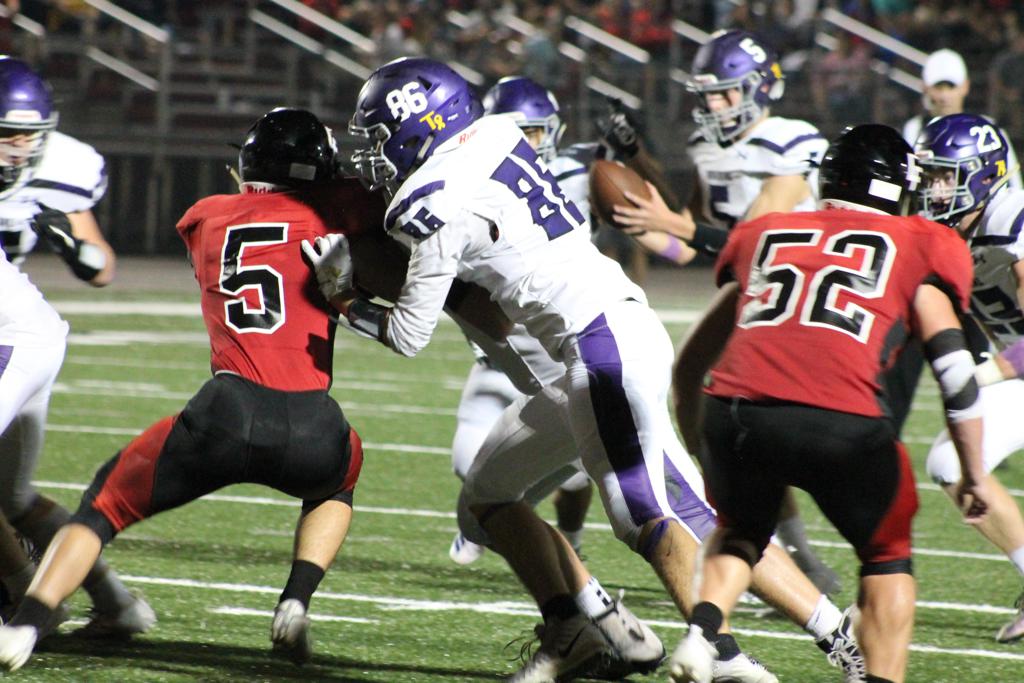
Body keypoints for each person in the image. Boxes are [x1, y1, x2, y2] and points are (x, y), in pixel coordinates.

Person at [309, 56, 864, 683]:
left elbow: (411, 333)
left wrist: (343, 299)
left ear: (420, 126)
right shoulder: (497, 133)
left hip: (598, 345)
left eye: (380, 138)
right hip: (594, 343)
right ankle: (585, 630)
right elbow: (489, 298)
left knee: (645, 511)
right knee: (489, 494)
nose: (375, 157)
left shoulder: (431, 198)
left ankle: (733, 656)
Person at [0, 108, 369, 672]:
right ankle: (295, 600)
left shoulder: (205, 217)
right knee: (339, 479)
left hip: (226, 410)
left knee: (102, 508)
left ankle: (25, 627)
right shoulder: (340, 212)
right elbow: (372, 213)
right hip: (313, 419)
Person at [669, 124, 990, 683]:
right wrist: (976, 472)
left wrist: (703, 443)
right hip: (841, 420)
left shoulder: (767, 232)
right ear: (897, 188)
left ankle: (702, 631)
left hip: (736, 412)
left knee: (740, 528)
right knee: (887, 555)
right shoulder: (922, 241)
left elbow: (689, 366)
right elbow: (956, 374)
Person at [608, 29, 843, 596]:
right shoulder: (705, 146)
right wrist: (635, 192)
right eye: (707, 93)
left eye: (725, 92)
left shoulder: (789, 141)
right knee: (689, 382)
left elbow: (754, 236)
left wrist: (672, 225)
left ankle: (788, 550)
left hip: (798, 293)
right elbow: (685, 242)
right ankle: (759, 530)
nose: (713, 104)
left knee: (756, 424)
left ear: (759, 89)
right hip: (753, 287)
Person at [0, 55, 149, 639]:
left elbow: (101, 265)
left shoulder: (62, 166)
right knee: (12, 498)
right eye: (7, 135)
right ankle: (116, 602)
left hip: (14, 333)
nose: (18, 150)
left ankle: (26, 602)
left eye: (27, 136)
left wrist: (75, 250)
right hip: (22, 326)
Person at [447, 75, 593, 566]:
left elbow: (646, 213)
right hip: (501, 353)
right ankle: (499, 519)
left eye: (532, 132)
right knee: (468, 465)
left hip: (562, 349)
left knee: (583, 467)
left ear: (553, 131)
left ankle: (562, 546)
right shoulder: (474, 180)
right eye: (514, 132)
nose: (525, 144)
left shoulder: (580, 173)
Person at [916, 113, 1024, 644]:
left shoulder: (1011, 219)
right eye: (929, 177)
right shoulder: (956, 228)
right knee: (951, 462)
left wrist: (979, 374)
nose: (934, 191)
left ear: (983, 174)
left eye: (945, 177)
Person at [901, 48, 1022, 189]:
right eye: (938, 88)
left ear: (965, 86)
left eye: (951, 87)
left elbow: (1013, 183)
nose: (944, 96)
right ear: (924, 87)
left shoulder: (987, 129)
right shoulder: (915, 128)